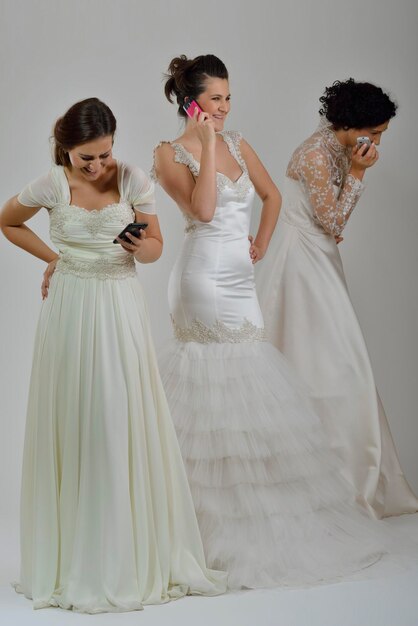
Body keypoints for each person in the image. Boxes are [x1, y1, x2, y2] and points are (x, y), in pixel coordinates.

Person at [151, 55, 397, 590]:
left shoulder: (240, 141)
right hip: (201, 279)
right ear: (189, 101)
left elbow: (273, 195)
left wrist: (262, 241)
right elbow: (208, 212)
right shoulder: (169, 154)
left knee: (250, 378)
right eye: (214, 99)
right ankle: (201, 525)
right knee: (213, 383)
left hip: (240, 278)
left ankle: (255, 510)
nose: (224, 107)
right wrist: (209, 145)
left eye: (228, 97)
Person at [0, 97, 226, 613]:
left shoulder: (132, 180)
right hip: (70, 308)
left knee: (117, 417)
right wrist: (55, 258)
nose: (99, 167)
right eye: (88, 159)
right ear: (67, 151)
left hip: (119, 305)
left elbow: (157, 246)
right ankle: (74, 558)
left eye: (104, 155)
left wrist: (135, 246)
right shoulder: (52, 184)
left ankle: (124, 551)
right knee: (77, 419)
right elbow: (8, 222)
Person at [256, 79, 418, 518]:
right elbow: (332, 220)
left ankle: (349, 467)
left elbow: (330, 223)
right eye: (377, 132)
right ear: (353, 126)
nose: (378, 140)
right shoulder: (315, 153)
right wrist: (361, 174)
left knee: (338, 359)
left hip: (318, 255)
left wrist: (352, 174)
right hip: (303, 262)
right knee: (326, 358)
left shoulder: (337, 147)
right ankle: (317, 478)